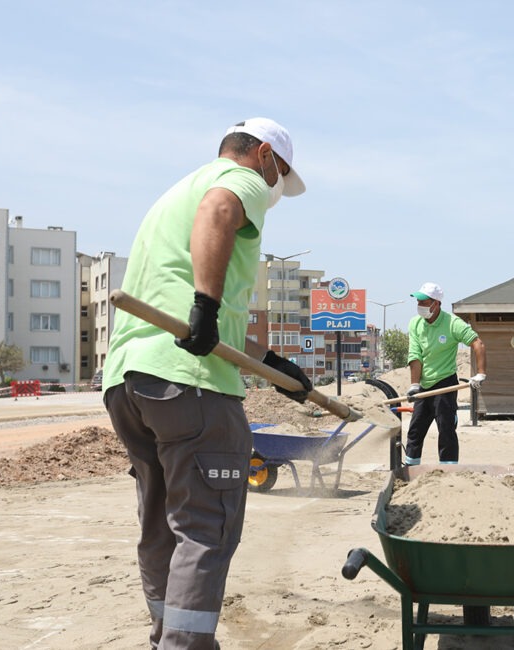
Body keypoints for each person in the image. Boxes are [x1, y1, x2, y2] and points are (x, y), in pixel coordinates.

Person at [102, 117, 312, 650]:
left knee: (161, 524)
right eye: (279, 175)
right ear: (264, 154)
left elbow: (210, 324)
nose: (275, 188)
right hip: (189, 384)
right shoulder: (238, 182)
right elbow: (219, 215)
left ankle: (164, 634)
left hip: (130, 380)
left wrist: (270, 362)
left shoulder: (176, 192)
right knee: (206, 524)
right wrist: (206, 305)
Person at [404, 282, 487, 465]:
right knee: (415, 430)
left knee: (446, 429)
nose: (420, 306)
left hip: (445, 384)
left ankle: (449, 472)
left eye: (424, 302)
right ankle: (409, 469)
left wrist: (480, 374)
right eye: (419, 301)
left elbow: (477, 343)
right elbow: (415, 356)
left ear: (436, 304)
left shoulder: (452, 323)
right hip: (425, 385)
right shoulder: (415, 323)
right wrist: (414, 385)